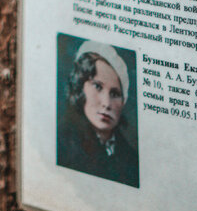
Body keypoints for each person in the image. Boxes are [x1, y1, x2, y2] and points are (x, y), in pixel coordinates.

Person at [57, 41, 139, 187]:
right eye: (97, 86)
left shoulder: (132, 159)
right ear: (80, 87)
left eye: (115, 94)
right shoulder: (63, 144)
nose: (106, 103)